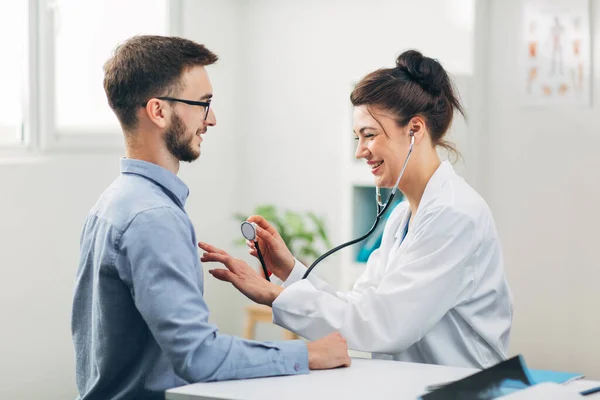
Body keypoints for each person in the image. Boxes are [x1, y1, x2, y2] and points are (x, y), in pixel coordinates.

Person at [71, 35, 350, 400]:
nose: (211, 120)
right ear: (158, 111)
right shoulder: (153, 217)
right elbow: (198, 357)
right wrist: (309, 353)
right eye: (203, 104)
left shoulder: (114, 202)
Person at [200, 50, 513, 370]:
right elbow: (362, 305)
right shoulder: (402, 218)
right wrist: (289, 271)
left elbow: (384, 325)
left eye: (369, 135)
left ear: (415, 130)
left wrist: (275, 296)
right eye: (356, 137)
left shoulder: (455, 214)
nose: (360, 150)